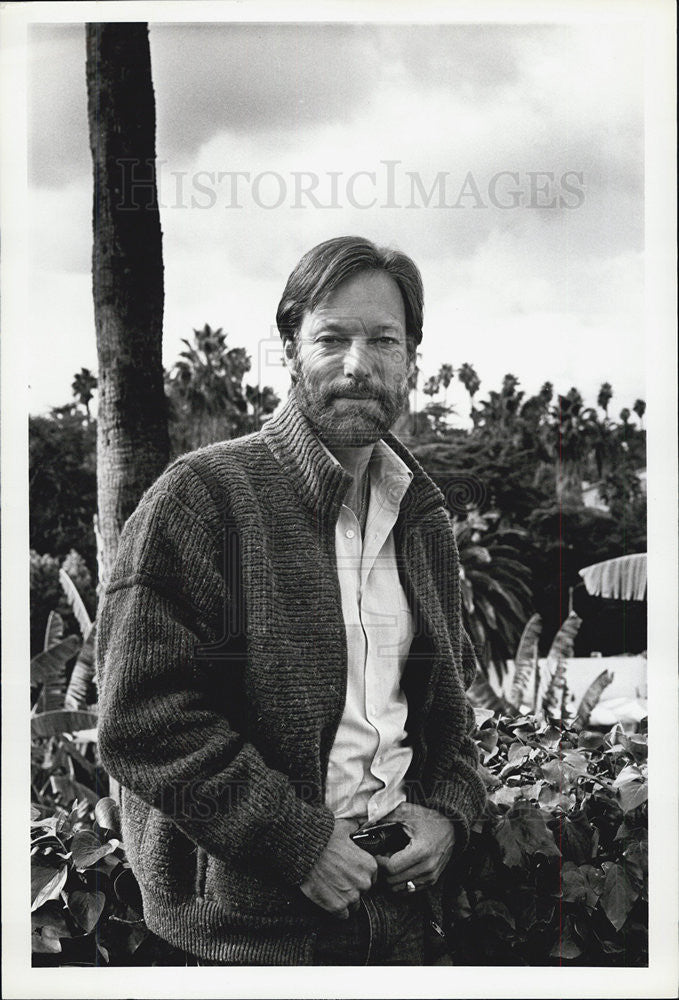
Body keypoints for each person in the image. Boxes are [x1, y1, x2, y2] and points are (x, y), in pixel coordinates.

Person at [96, 235, 487, 966]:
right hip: (253, 937)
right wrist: (296, 844)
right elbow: (140, 721)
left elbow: (449, 721)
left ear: (410, 360)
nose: (356, 364)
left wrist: (448, 818)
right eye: (330, 338)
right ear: (289, 347)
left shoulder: (421, 517)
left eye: (382, 340)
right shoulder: (203, 500)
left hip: (408, 919)